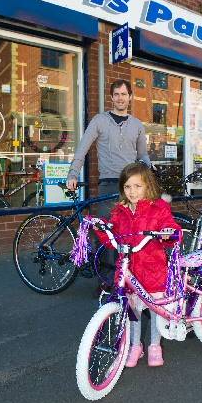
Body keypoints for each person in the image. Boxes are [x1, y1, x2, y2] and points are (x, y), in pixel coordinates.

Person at [66, 79, 151, 290]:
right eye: (117, 94)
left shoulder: (137, 125)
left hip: (132, 187)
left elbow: (142, 156)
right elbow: (83, 147)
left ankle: (129, 278)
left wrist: (151, 173)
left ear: (130, 97)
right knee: (107, 234)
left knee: (132, 233)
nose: (121, 98)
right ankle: (106, 281)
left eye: (124, 94)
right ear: (111, 97)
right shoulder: (99, 121)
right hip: (108, 184)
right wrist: (72, 173)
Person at [95, 162, 181, 367]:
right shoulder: (120, 211)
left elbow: (171, 228)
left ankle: (154, 345)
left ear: (147, 186)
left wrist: (168, 231)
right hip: (129, 270)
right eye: (127, 187)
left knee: (154, 311)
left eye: (137, 186)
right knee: (132, 311)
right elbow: (111, 238)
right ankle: (135, 346)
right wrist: (101, 227)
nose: (132, 191)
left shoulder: (158, 208)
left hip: (153, 269)